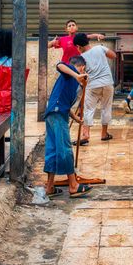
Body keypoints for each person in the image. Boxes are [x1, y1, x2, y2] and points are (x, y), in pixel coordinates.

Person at [43, 55, 92, 199]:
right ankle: (73, 185)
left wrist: (76, 118)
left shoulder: (71, 82)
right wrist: (77, 75)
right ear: (82, 67)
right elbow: (59, 65)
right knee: (65, 149)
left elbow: (64, 103)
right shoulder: (70, 71)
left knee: (53, 150)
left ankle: (50, 187)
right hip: (57, 115)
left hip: (55, 114)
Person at [72, 32, 117, 145]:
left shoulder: (80, 58)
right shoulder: (99, 48)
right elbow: (113, 55)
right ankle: (104, 134)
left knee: (88, 109)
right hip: (107, 83)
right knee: (106, 108)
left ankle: (86, 135)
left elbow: (81, 74)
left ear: (79, 46)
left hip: (92, 86)